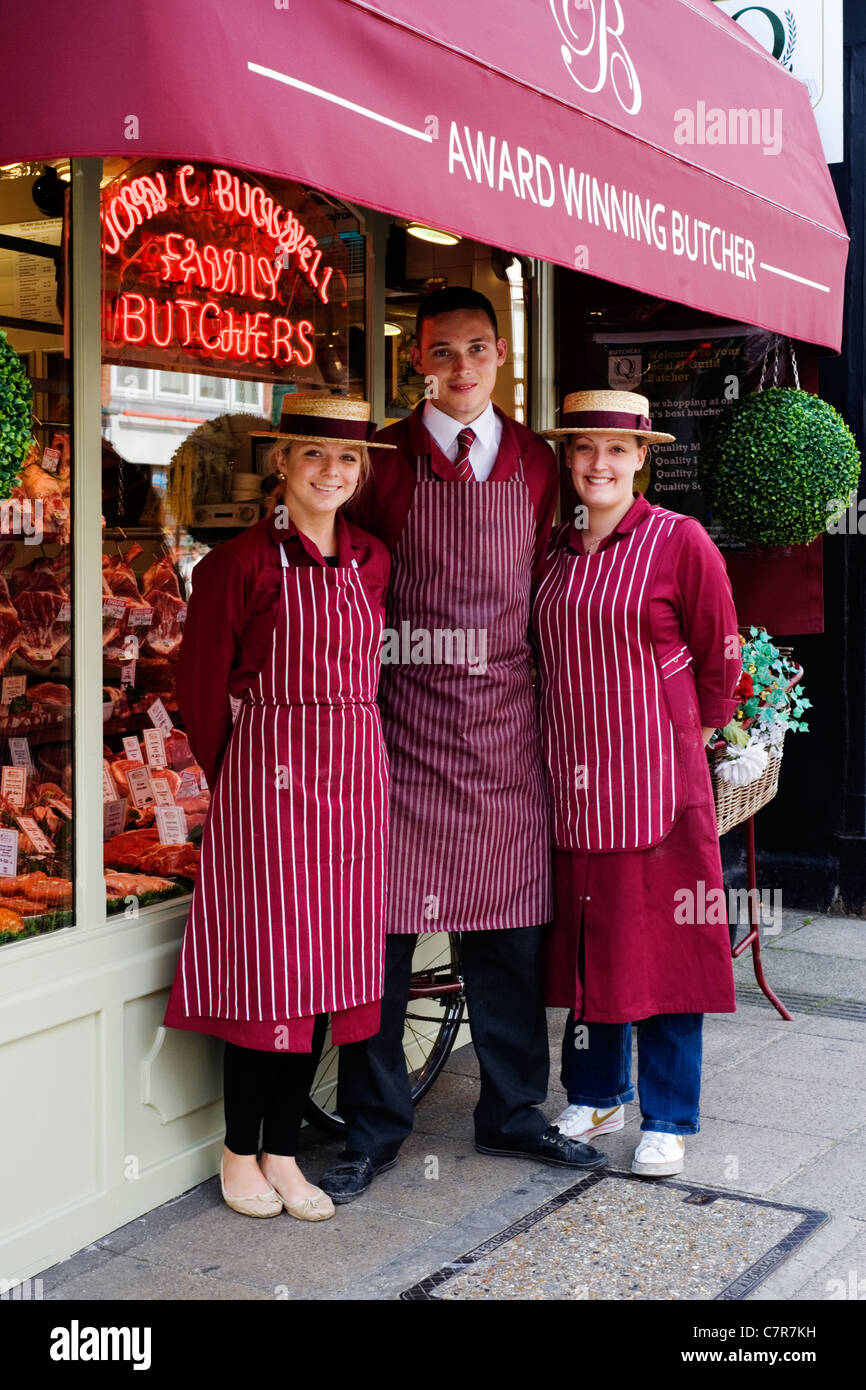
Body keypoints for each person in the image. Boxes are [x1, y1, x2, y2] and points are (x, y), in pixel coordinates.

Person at [319, 288, 607, 1204]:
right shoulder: (379, 463)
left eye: (479, 349)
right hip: (398, 734)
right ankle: (372, 1130)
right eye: (444, 352)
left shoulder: (533, 461)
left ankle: (515, 1114)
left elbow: (553, 580)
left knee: (512, 946)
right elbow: (346, 586)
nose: (463, 368)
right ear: (417, 359)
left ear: (502, 357)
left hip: (503, 737)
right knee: (382, 948)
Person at [163, 395, 395, 1219]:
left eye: (347, 462)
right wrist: (244, 778)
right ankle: (237, 1148)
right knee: (267, 967)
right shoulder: (235, 565)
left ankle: (285, 1150)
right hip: (270, 782)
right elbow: (198, 694)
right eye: (313, 458)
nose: (331, 474)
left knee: (325, 968)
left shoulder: (372, 558)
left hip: (354, 781)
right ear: (280, 464)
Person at [531, 389, 742, 1176]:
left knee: (668, 948)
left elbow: (720, 654)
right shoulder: (553, 549)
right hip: (575, 784)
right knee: (591, 947)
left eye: (616, 450)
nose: (598, 463)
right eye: (584, 448)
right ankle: (594, 1092)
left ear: (642, 458)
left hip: (660, 784)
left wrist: (698, 748)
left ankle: (670, 1114)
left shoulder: (679, 541)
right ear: (568, 456)